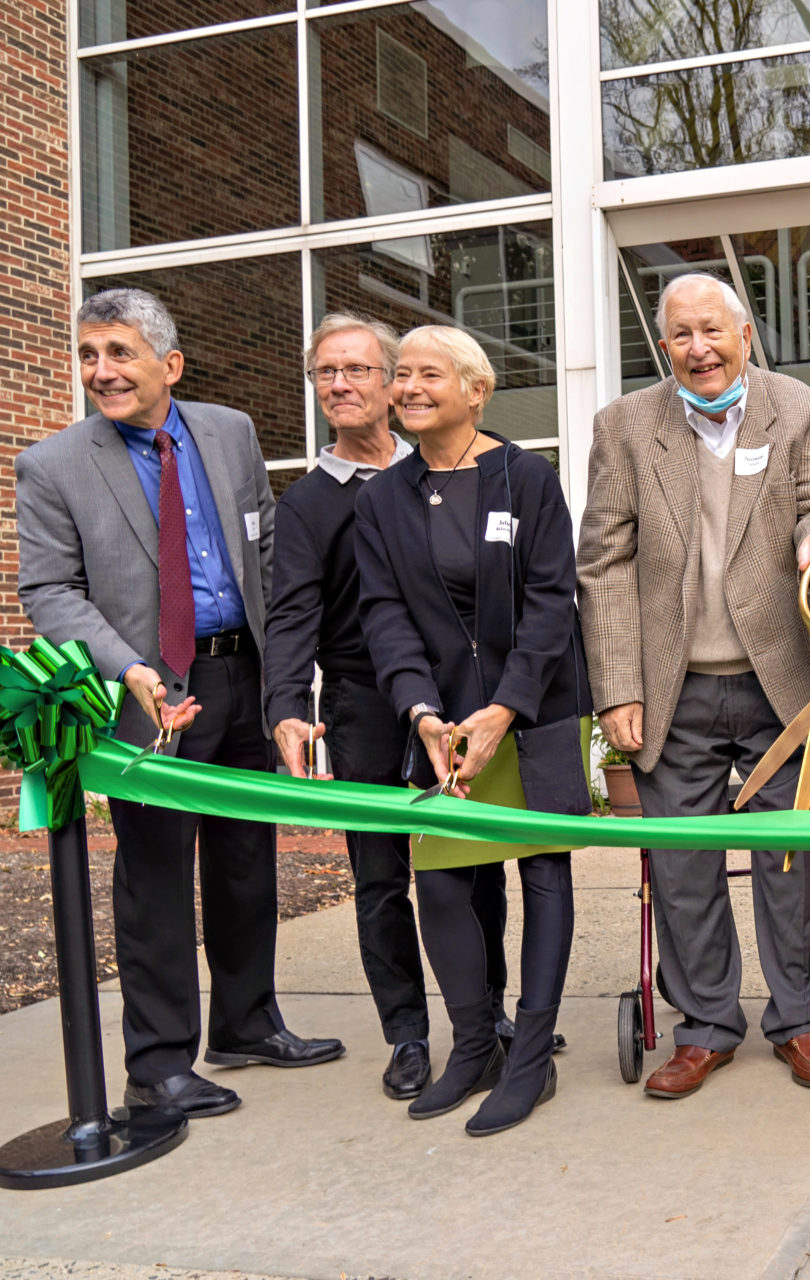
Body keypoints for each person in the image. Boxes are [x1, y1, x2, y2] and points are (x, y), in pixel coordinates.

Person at [15, 287, 343, 1119]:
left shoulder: (228, 431)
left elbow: (265, 552)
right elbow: (50, 590)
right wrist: (128, 668)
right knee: (155, 881)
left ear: (171, 364)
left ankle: (247, 1022)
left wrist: (285, 680)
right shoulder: (52, 466)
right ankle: (158, 1066)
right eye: (90, 354)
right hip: (149, 692)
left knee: (245, 862)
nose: (102, 372)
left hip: (240, 677)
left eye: (120, 353)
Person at [575, 272, 810, 1099]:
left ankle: (803, 1020)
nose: (698, 348)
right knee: (684, 863)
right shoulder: (625, 426)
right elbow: (603, 562)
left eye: (712, 331)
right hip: (673, 685)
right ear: (664, 346)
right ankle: (704, 1027)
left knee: (792, 861)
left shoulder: (799, 409)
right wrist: (618, 686)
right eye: (680, 335)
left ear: (744, 334)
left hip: (782, 681)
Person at [355, 325, 588, 1137]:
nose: (408, 388)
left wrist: (506, 708)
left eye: (428, 374)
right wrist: (422, 712)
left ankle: (530, 1058)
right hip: (443, 724)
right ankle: (474, 1044)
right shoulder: (380, 498)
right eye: (401, 375)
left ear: (475, 389)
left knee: (541, 874)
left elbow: (554, 600)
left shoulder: (526, 479)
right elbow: (384, 616)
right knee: (447, 881)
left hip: (532, 713)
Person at [265, 313, 502, 1103]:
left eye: (358, 370)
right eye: (325, 373)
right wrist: (288, 707)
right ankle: (407, 1033)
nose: (340, 385)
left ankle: (489, 1014)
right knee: (379, 880)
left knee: (475, 866)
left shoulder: (445, 466)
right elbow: (292, 615)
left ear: (394, 380)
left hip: (457, 697)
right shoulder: (304, 505)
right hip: (368, 705)